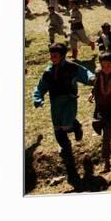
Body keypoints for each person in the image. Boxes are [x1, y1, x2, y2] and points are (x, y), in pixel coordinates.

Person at [33, 43, 95, 182]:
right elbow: (40, 87)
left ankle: (76, 126)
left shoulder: (72, 67)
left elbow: (85, 73)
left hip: (69, 101)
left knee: (67, 125)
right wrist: (38, 98)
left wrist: (91, 79)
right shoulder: (48, 72)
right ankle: (66, 150)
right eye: (51, 55)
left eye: (55, 55)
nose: (52, 57)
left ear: (62, 56)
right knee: (58, 129)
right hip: (55, 104)